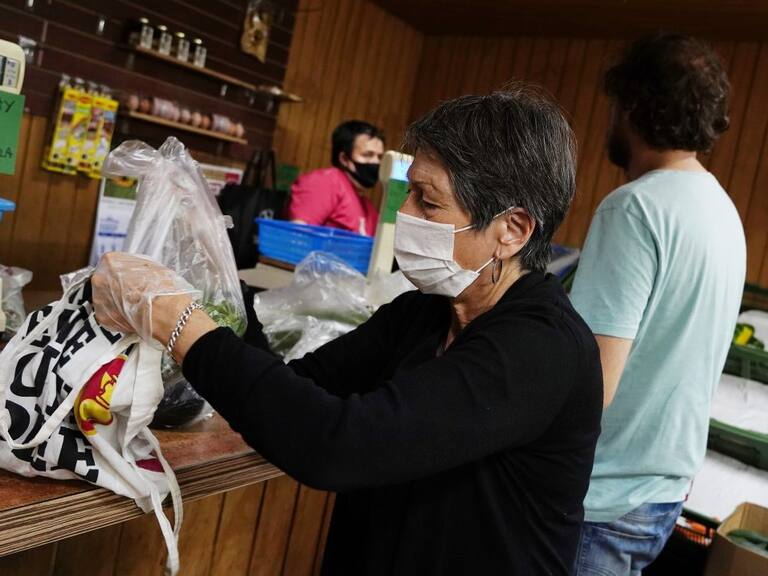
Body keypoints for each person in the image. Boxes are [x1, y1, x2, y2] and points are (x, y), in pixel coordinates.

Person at [93, 86, 602, 575]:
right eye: (407, 195)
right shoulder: (424, 313)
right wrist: (213, 267)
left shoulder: (542, 347)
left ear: (511, 230)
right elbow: (299, 386)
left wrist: (185, 326)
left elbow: (339, 445)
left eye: (427, 202)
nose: (404, 216)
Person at [569, 33, 746, 575]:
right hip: (660, 495)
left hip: (603, 498)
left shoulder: (634, 209)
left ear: (632, 106)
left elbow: (589, 381)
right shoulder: (722, 210)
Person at [287, 120, 385, 236]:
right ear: (344, 159)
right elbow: (298, 237)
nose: (376, 162)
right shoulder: (325, 183)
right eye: (367, 155)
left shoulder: (367, 206)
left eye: (379, 157)